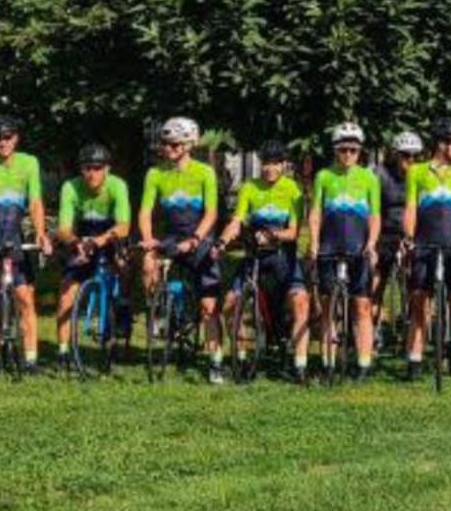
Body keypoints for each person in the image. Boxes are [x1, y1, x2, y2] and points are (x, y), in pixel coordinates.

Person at [137, 116, 224, 382]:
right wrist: (148, 239)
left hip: (200, 239)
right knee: (148, 263)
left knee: (208, 305)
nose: (168, 149)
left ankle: (215, 362)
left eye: (174, 145)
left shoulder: (204, 172)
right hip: (172, 238)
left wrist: (196, 239)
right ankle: (157, 311)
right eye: (165, 144)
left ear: (189, 145)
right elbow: (145, 212)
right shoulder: (155, 174)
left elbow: (211, 213)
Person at [222, 140, 310, 379]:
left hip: (283, 258)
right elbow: (237, 221)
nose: (270, 168)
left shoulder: (292, 189)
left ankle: (300, 366)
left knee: (301, 302)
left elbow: (293, 232)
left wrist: (272, 235)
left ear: (283, 165)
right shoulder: (249, 187)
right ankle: (241, 358)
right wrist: (222, 241)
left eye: (275, 163)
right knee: (230, 303)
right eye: (266, 163)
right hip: (254, 257)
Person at [0, 115, 49, 373]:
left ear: (16, 138)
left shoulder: (29, 163)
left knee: (25, 297)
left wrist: (40, 233)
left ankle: (31, 359)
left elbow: (35, 201)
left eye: (8, 137)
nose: (3, 142)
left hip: (15, 236)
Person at [404, 116, 451, 381]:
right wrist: (408, 236)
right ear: (442, 144)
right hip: (424, 245)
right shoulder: (417, 171)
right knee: (419, 308)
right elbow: (411, 208)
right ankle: (414, 363)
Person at [307, 124, 382, 380]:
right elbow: (315, 213)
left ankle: (363, 363)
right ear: (335, 150)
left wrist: (371, 244)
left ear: (359, 151)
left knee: (361, 306)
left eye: (353, 150)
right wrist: (314, 243)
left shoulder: (369, 178)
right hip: (329, 246)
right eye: (343, 150)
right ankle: (328, 362)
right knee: (327, 306)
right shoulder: (323, 176)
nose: (348, 155)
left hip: (358, 247)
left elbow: (374, 216)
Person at [53, 143, 132, 368]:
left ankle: (123, 306)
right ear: (81, 169)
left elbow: (124, 226)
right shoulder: (70, 187)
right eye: (87, 168)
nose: (92, 173)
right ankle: (63, 351)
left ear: (107, 169)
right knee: (66, 292)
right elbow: (63, 229)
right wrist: (75, 242)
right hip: (83, 238)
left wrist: (101, 240)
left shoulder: (117, 185)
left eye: (97, 168)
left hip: (111, 236)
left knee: (124, 266)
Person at [369, 130, 420, 337]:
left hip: (410, 234)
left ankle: (411, 325)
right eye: (406, 155)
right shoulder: (380, 174)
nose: (411, 160)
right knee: (376, 283)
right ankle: (373, 329)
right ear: (396, 155)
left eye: (415, 155)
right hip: (384, 234)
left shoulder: (420, 175)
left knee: (412, 283)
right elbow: (372, 209)